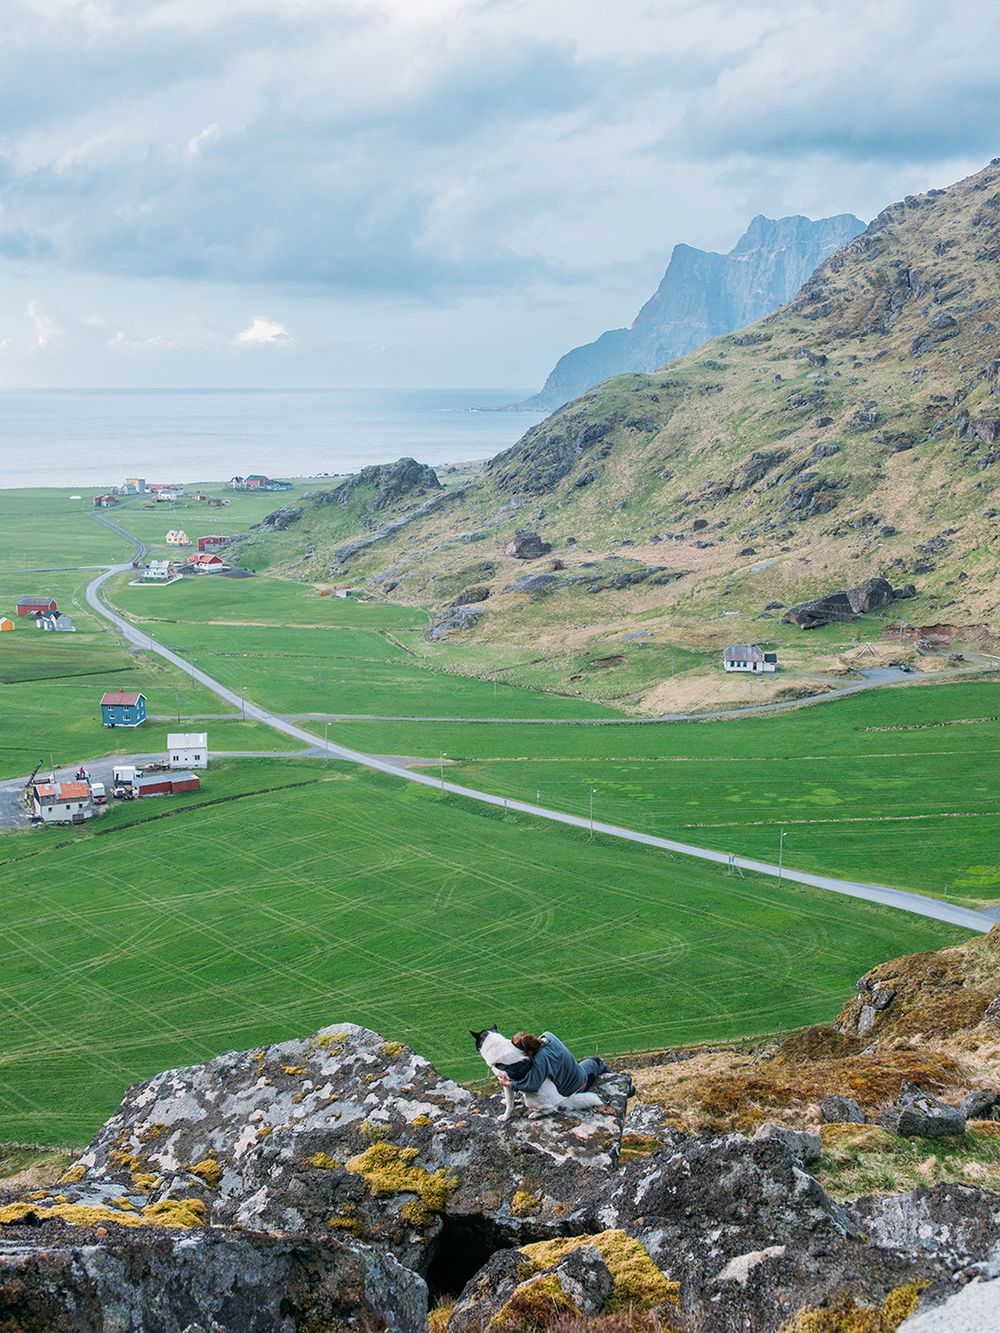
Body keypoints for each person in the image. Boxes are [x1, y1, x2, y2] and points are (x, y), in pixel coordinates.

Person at [496, 1030, 610, 1097]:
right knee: (596, 1061)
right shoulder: (548, 1035)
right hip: (575, 1081)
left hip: (574, 1088)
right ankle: (615, 1078)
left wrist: (509, 1083)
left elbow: (532, 1085)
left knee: (594, 1063)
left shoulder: (539, 1060)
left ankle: (616, 1081)